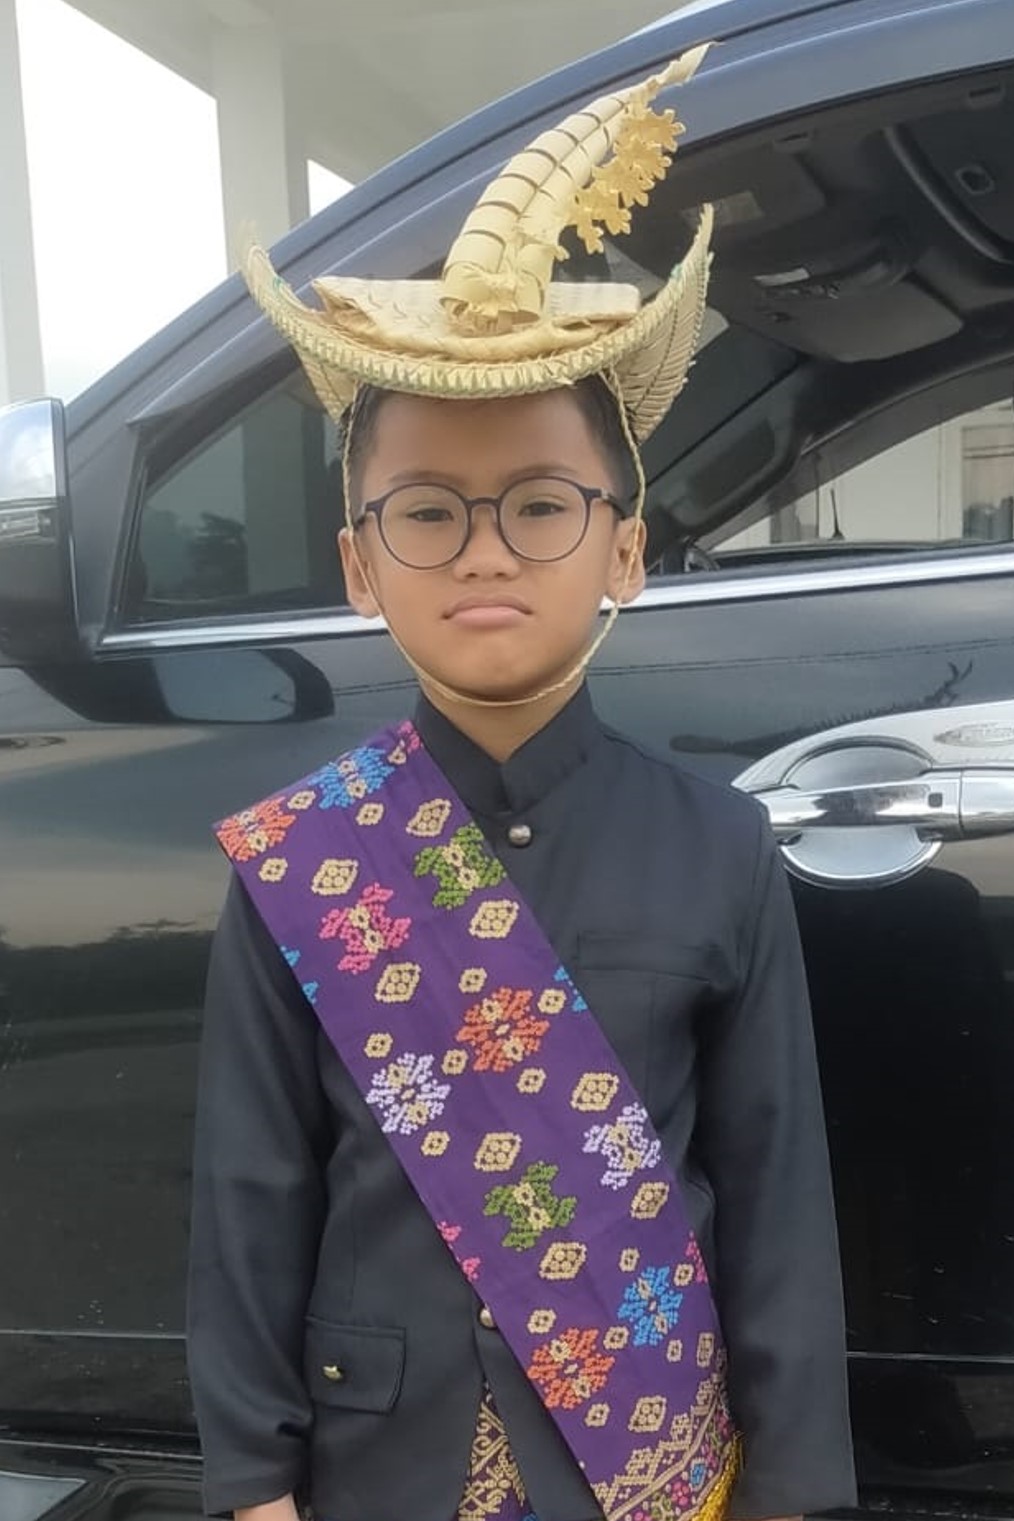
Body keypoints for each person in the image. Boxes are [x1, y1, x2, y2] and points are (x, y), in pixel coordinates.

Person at [187, 49, 856, 1521]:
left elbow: (774, 1194)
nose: (485, 549)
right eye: (427, 511)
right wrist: (251, 1484)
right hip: (382, 1465)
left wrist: (794, 1490)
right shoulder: (301, 859)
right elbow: (251, 1194)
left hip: (650, 1463)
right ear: (359, 564)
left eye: (541, 505)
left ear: (625, 548)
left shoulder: (719, 848)